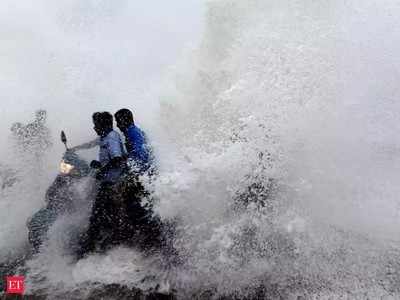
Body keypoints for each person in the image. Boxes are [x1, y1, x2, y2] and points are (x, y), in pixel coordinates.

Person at [78, 112, 126, 256]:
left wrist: (102, 171)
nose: (94, 128)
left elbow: (117, 159)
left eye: (96, 125)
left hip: (112, 183)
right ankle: (104, 242)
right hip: (109, 181)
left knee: (97, 214)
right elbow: (93, 145)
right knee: (105, 213)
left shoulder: (111, 138)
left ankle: (90, 247)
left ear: (103, 125)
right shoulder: (106, 137)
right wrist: (99, 163)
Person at [114, 108, 154, 174]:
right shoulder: (134, 130)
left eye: (118, 122)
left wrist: (132, 172)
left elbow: (139, 154)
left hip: (145, 172)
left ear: (124, 121)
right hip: (147, 169)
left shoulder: (132, 133)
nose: (117, 125)